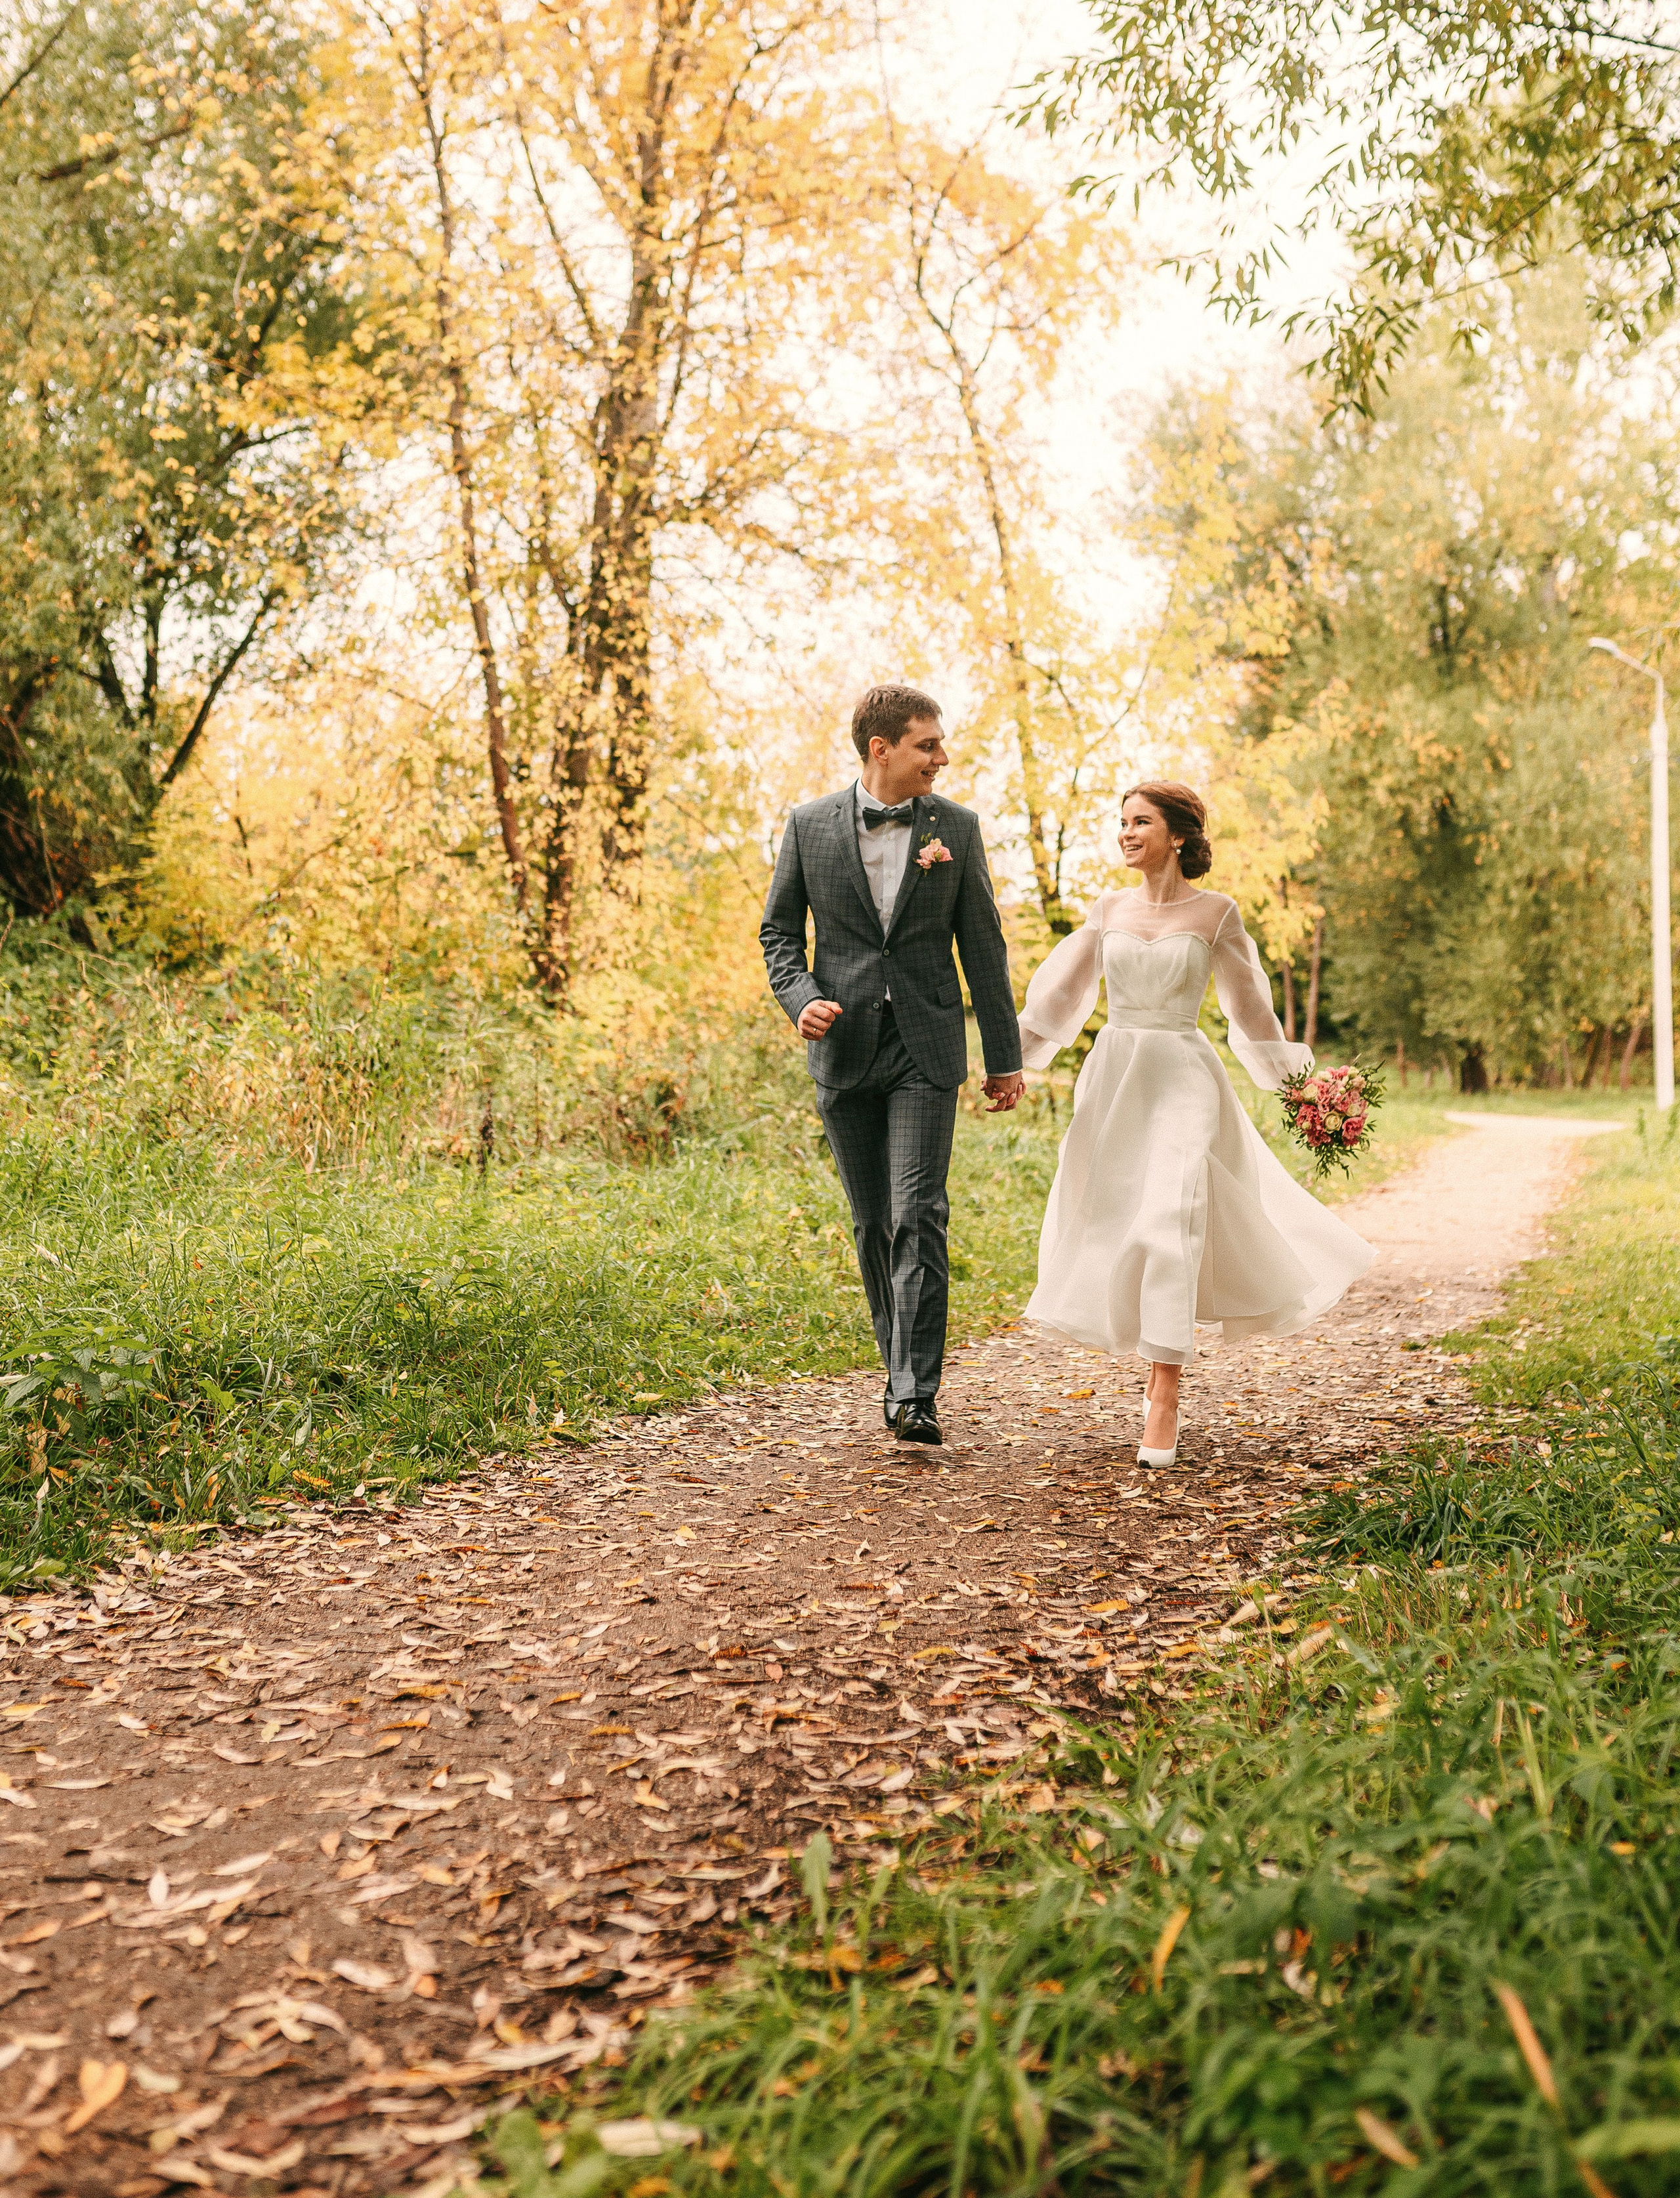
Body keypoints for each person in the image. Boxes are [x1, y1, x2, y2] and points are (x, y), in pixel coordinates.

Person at [1017, 780, 1372, 1468]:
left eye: (1139, 821)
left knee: (1171, 1220)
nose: (1124, 832)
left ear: (1177, 835)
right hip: (1117, 1079)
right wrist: (1012, 1064)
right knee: (1120, 1221)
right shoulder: (1107, 909)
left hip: (1183, 1074)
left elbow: (1252, 1011)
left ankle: (1164, 1393)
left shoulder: (1216, 914)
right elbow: (1059, 994)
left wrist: (1303, 1090)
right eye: (1120, 822)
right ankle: (1150, 1362)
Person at [760, 684, 1024, 1445]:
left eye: (940, 745)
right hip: (841, 1050)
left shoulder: (957, 830)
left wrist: (1003, 1059)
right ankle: (895, 1364)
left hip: (924, 1048)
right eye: (928, 745)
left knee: (918, 1213)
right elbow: (778, 933)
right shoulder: (808, 826)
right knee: (873, 1219)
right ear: (882, 749)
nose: (942, 759)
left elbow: (984, 948)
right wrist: (799, 997)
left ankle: (913, 1392)